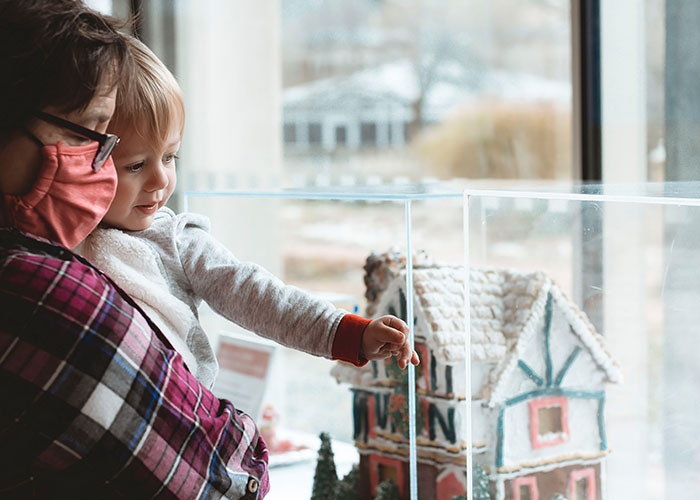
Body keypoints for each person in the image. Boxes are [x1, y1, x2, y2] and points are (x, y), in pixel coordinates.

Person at [0, 1, 265, 498]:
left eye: (170, 156)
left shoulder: (170, 240)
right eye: (92, 134)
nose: (102, 164)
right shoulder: (37, 286)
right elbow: (223, 478)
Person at [77, 37, 420, 391]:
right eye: (135, 165)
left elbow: (258, 295)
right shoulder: (63, 237)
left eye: (169, 157)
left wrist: (349, 333)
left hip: (178, 409)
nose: (160, 180)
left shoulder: (178, 241)